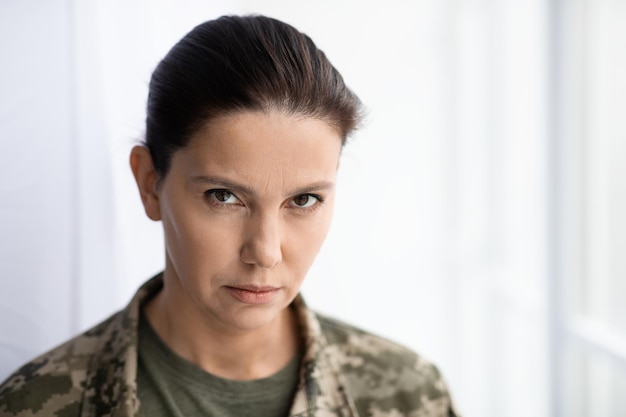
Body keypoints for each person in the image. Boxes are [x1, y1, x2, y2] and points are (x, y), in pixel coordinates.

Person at [0, 15, 459, 417]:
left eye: (303, 201)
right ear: (149, 184)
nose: (265, 251)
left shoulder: (410, 397)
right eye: (224, 196)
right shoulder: (35, 404)